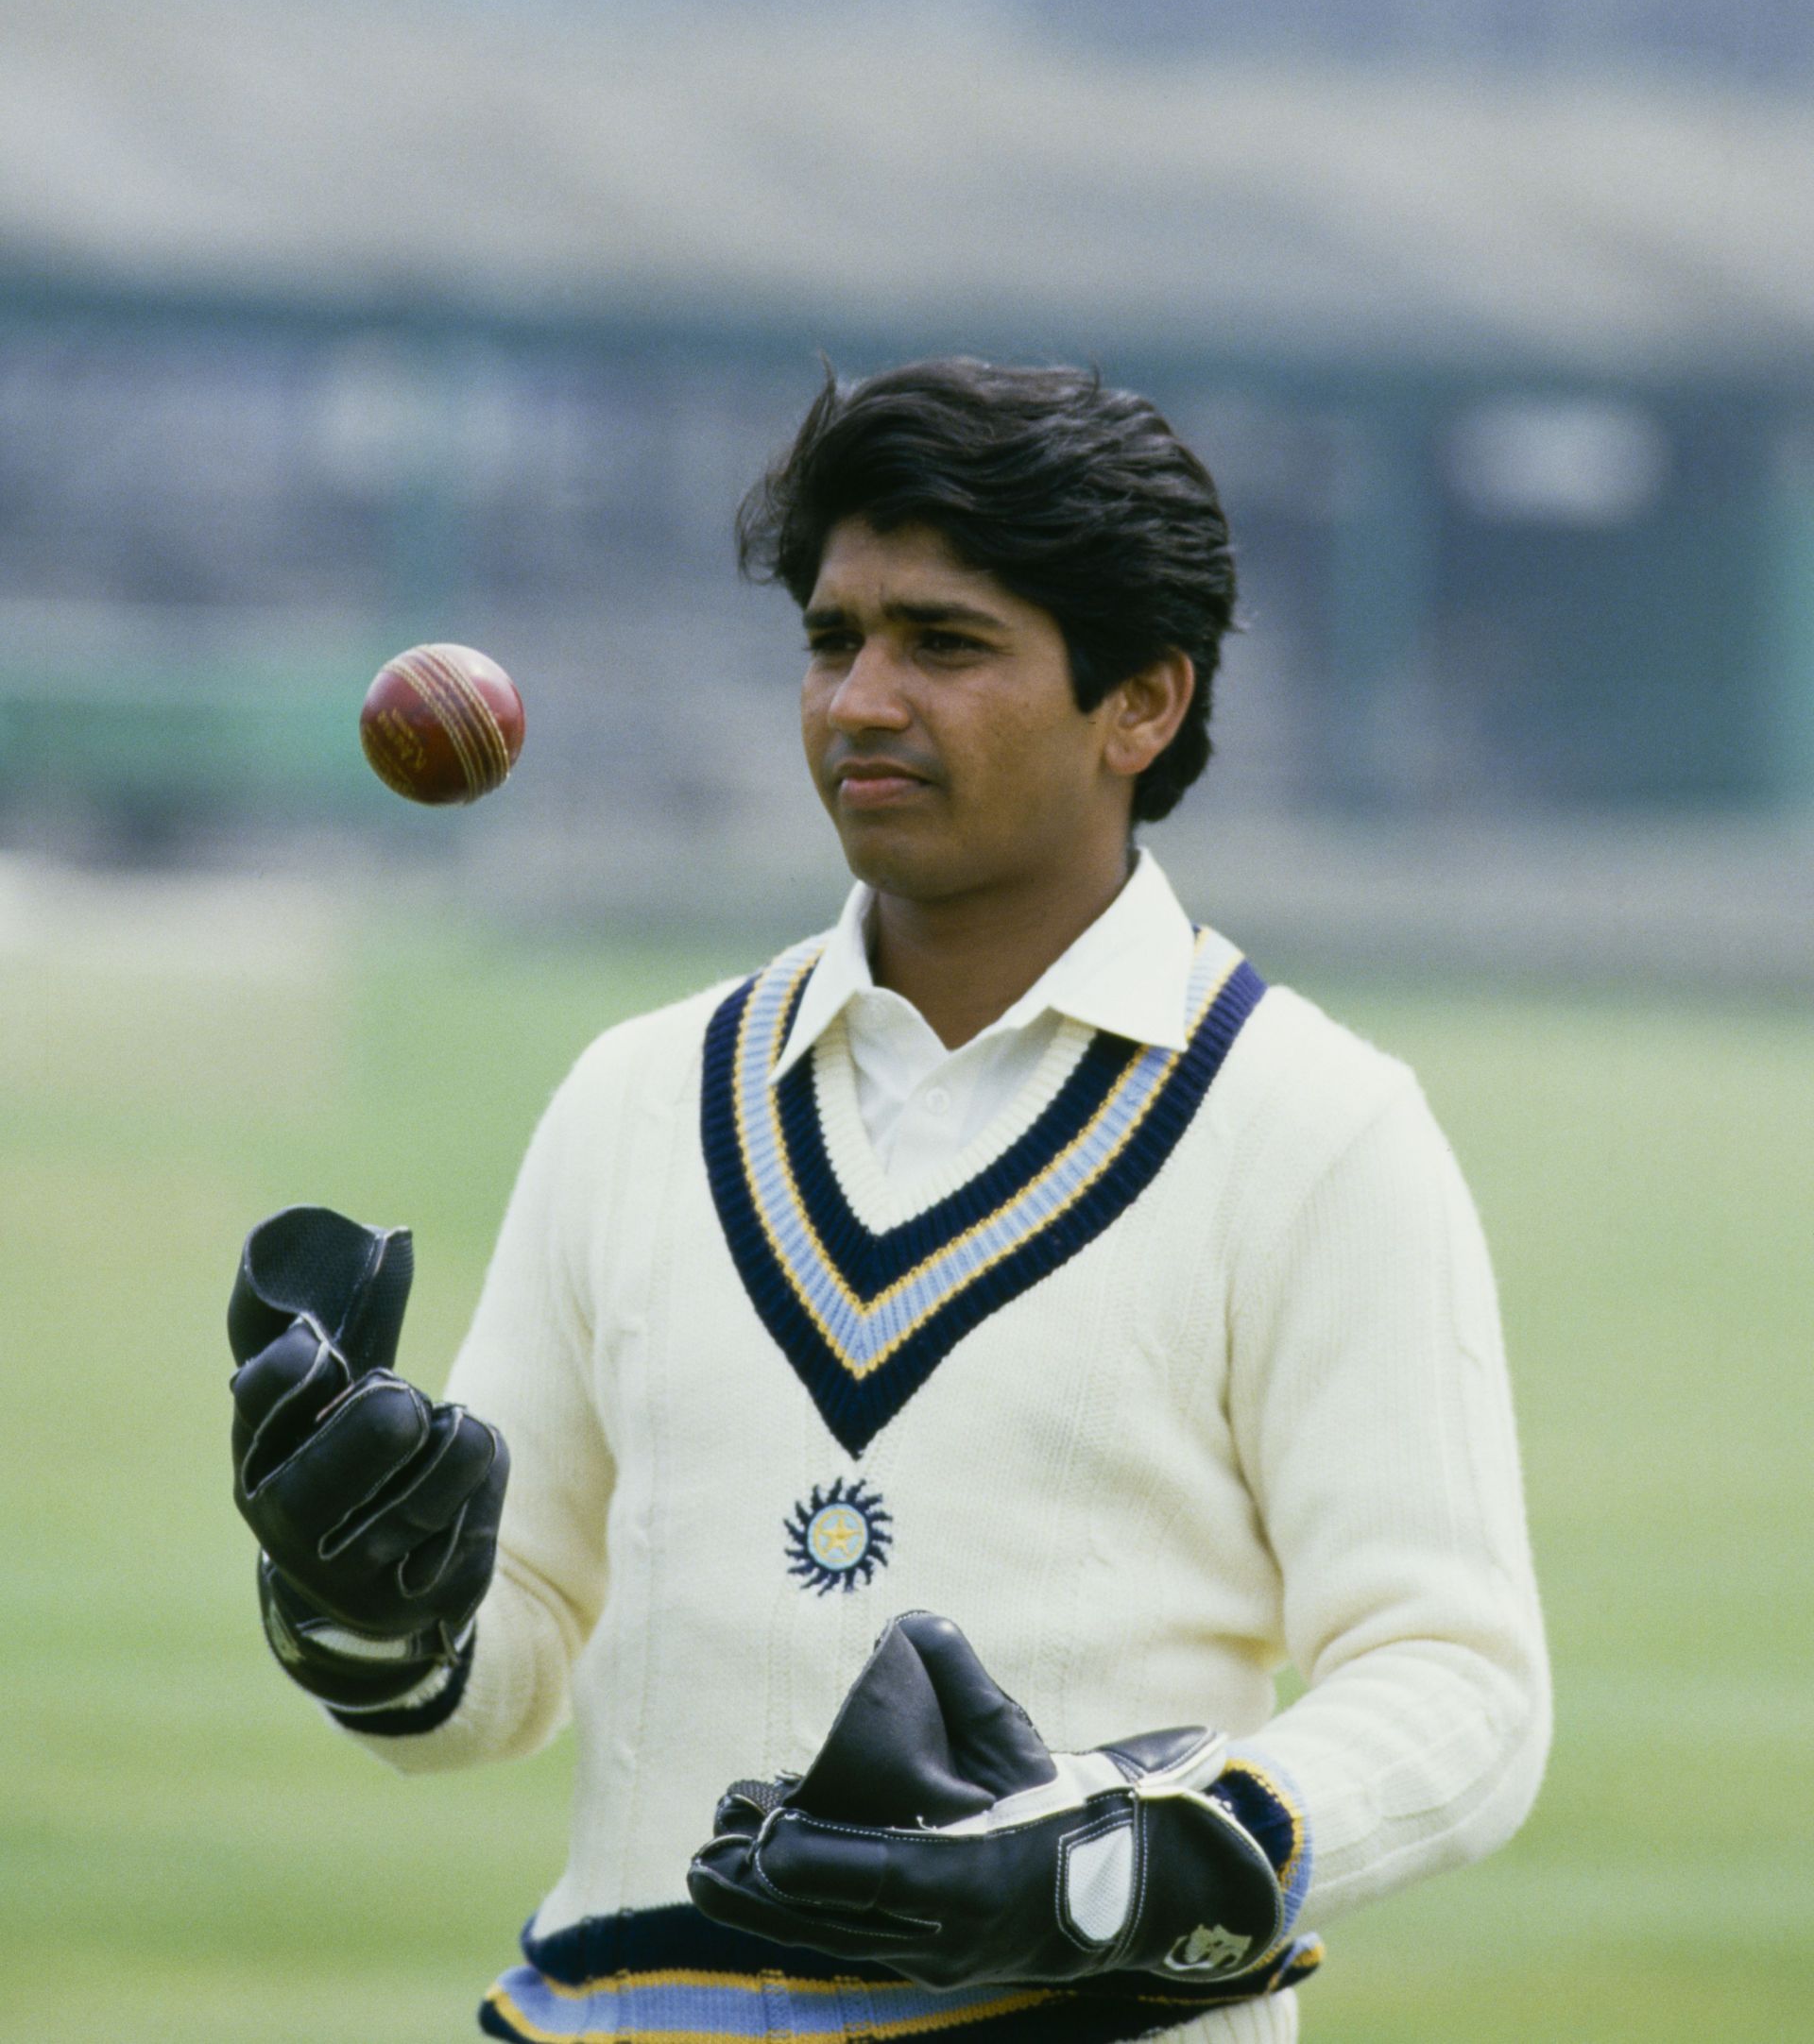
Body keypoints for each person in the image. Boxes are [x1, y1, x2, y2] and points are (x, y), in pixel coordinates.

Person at [228, 360, 1549, 2044]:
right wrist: (369, 1607)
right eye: (831, 638)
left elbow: (1463, 1686)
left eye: (944, 643)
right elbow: (500, 1670)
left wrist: (1121, 1861)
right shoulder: (639, 1095)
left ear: (1141, 701)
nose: (858, 699)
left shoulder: (1317, 1127)